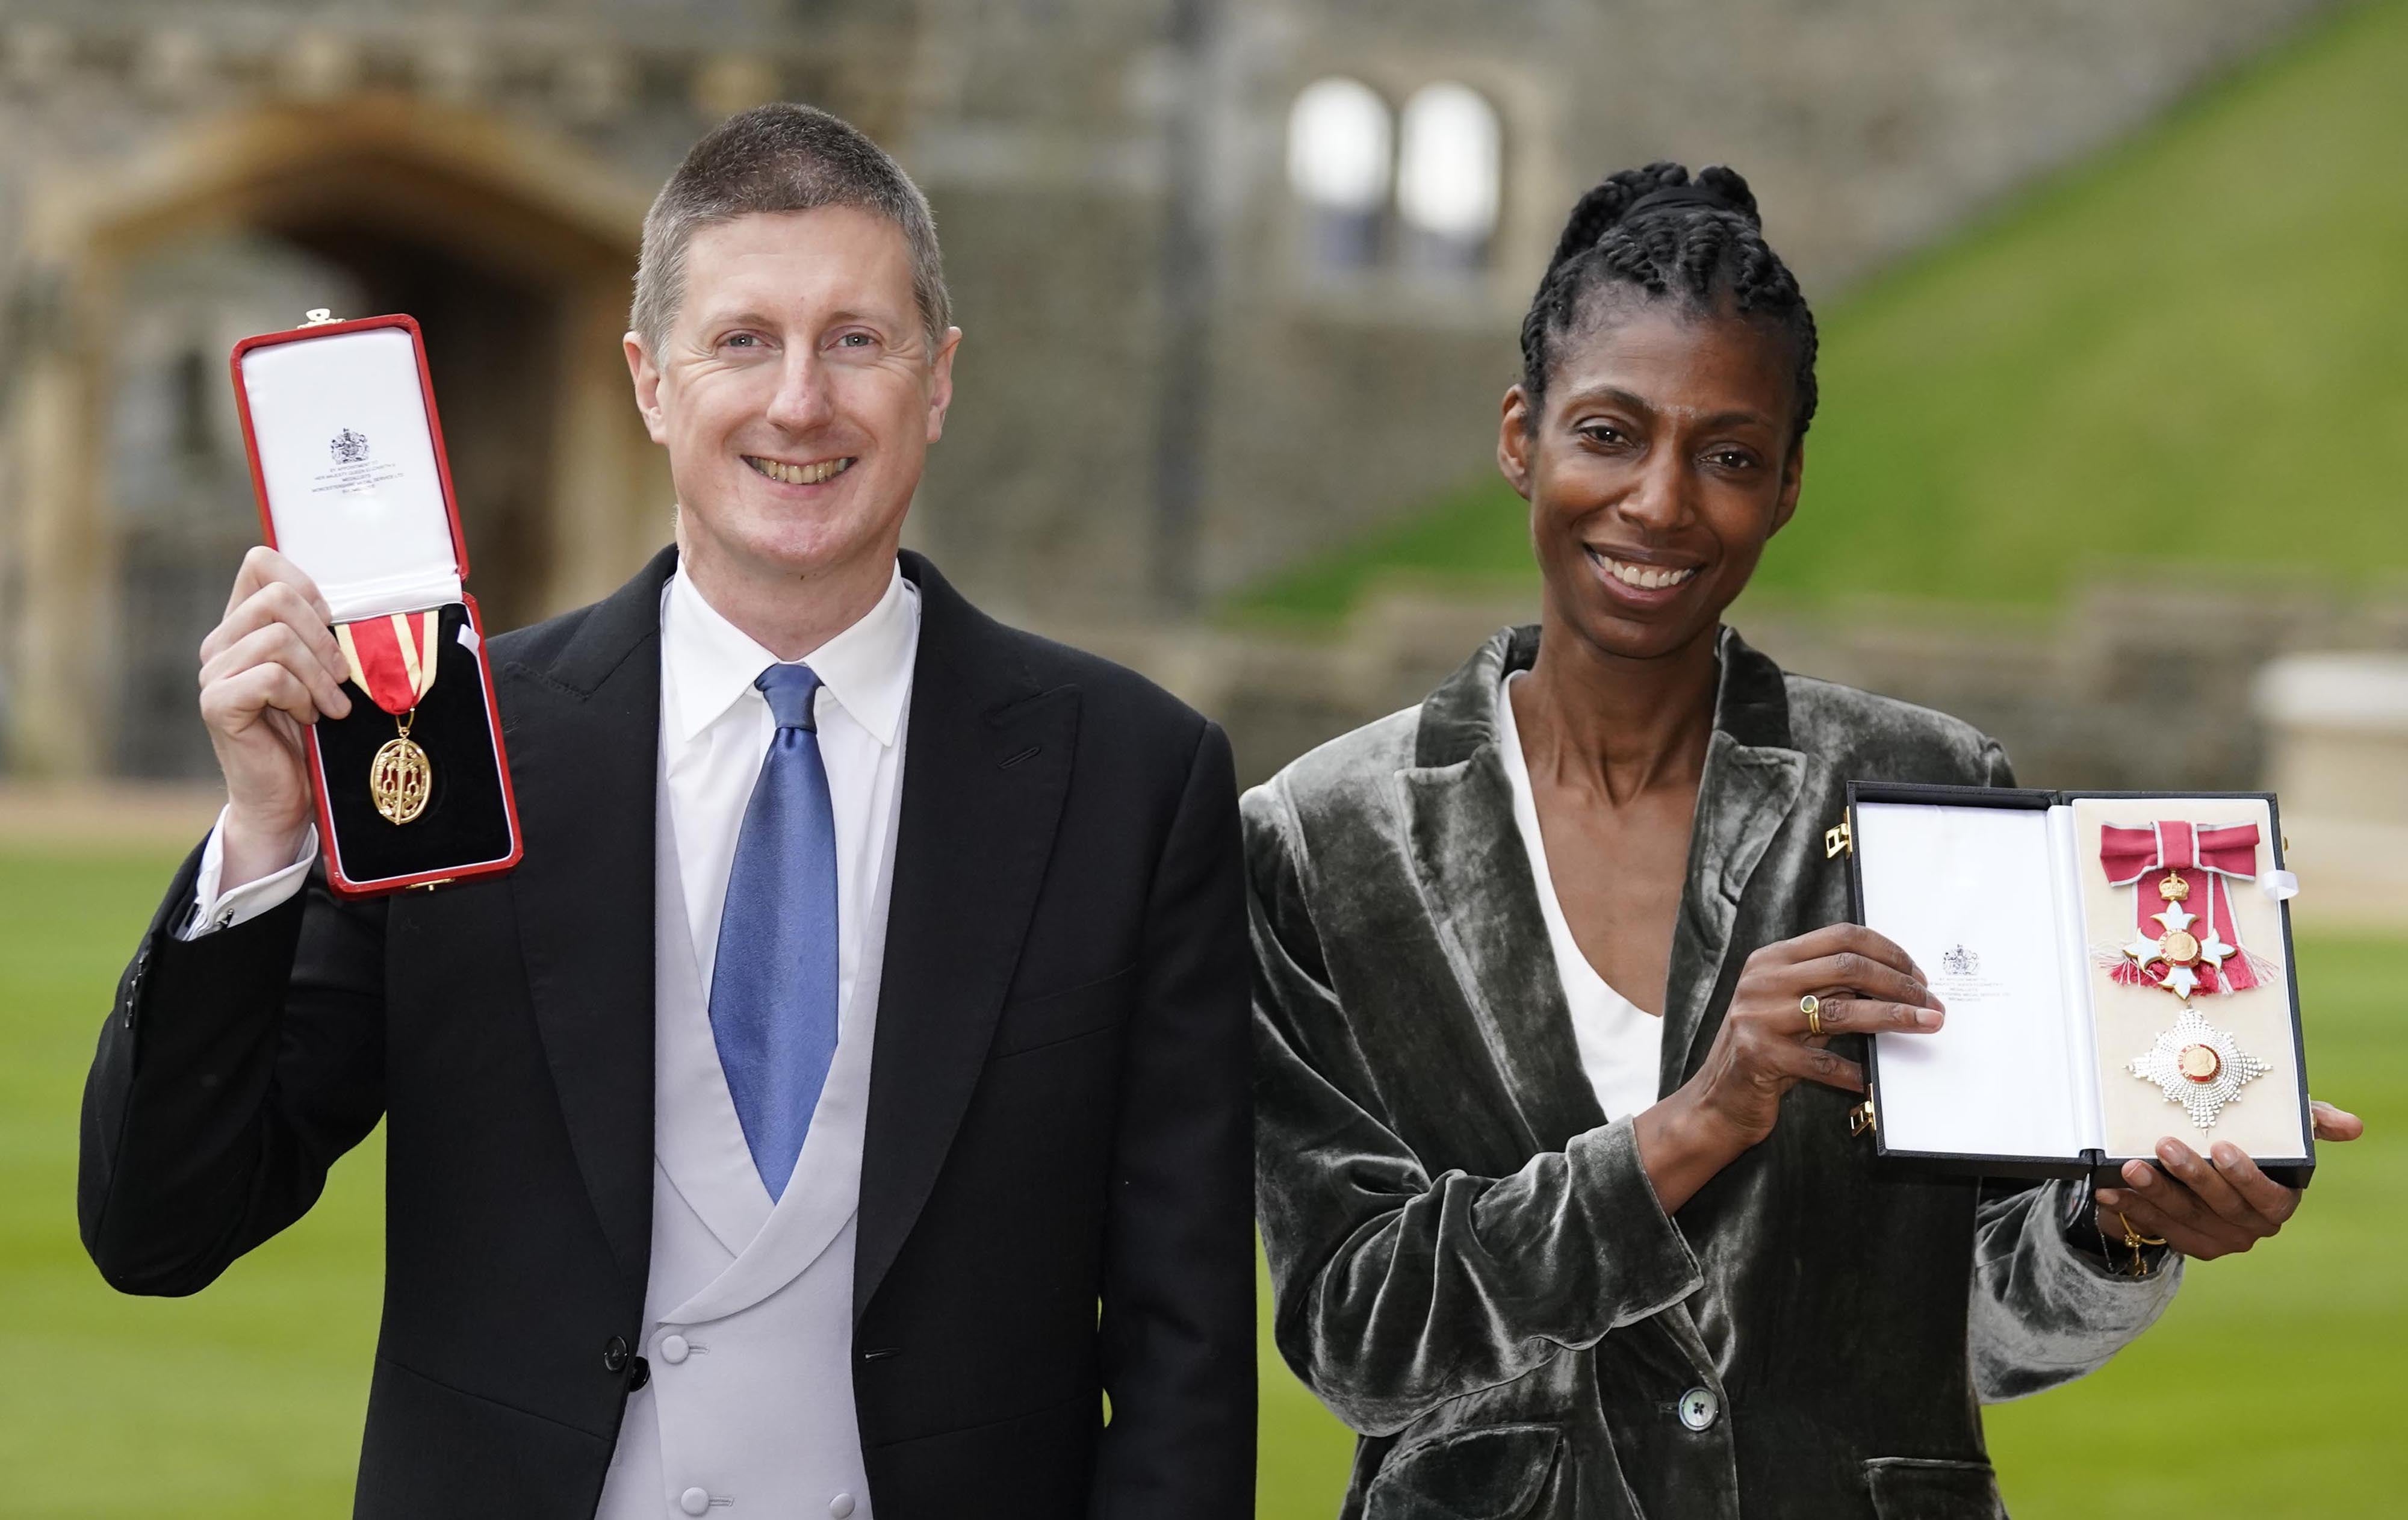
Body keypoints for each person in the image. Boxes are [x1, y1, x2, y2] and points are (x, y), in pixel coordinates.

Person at [79, 104, 1254, 1520]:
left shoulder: (1133, 775)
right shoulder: (454, 746)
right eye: (742, 340)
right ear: (648, 381)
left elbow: (1184, 1349)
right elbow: (163, 1227)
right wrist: (266, 835)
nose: (799, 401)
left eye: (857, 341)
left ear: (938, 382)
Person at [1246, 163, 2360, 1519]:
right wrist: (1696, 1123)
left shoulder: (1922, 788)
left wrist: (2116, 1231)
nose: (1659, 503)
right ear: (1518, 435)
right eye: (1607, 433)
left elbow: (1976, 1325)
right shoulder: (1319, 839)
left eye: (1726, 455)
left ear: (1782, 487)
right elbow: (1359, 1335)